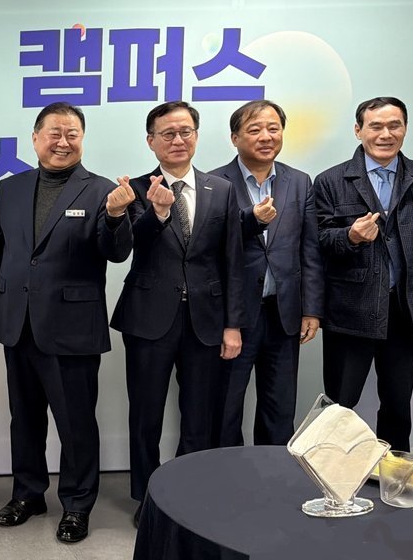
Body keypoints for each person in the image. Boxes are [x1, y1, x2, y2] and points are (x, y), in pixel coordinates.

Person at [0, 102, 134, 544]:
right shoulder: (11, 188)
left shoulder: (103, 190)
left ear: (82, 140)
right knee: (24, 419)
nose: (63, 142)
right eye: (54, 133)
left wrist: (116, 216)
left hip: (72, 327)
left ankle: (77, 504)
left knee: (76, 423)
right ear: (35, 138)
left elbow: (116, 252)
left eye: (72, 134)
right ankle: (28, 494)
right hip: (17, 322)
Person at [110, 100, 244, 526]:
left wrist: (232, 324)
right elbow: (129, 246)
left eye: (185, 131)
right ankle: (147, 497)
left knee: (199, 415)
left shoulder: (221, 189)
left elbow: (233, 261)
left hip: (206, 320)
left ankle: (190, 491)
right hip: (148, 317)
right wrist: (159, 212)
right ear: (151, 141)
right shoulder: (135, 188)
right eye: (167, 133)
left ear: (197, 137)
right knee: (145, 414)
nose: (178, 140)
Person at [313, 96, 413, 452]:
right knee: (340, 405)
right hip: (350, 311)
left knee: (397, 405)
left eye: (395, 126)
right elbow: (318, 242)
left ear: (405, 129)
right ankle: (334, 474)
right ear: (358, 130)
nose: (386, 134)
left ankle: (392, 475)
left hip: (407, 312)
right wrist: (350, 236)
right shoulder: (331, 181)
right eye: (375, 126)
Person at [210, 100, 324, 447]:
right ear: (235, 138)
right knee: (225, 406)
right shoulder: (214, 183)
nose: (266, 136)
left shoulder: (299, 182)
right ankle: (227, 472)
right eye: (255, 129)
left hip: (283, 312)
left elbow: (309, 250)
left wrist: (311, 309)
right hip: (234, 316)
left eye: (273, 128)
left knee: (280, 407)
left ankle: (272, 472)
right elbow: (210, 247)